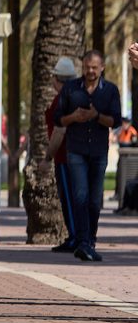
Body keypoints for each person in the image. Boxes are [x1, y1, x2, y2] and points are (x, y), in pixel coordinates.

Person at [55, 50, 121, 262]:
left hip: (99, 151)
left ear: (102, 67)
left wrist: (96, 116)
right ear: (82, 67)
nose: (90, 71)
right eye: (86, 67)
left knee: (94, 200)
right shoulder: (71, 89)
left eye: (94, 67)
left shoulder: (110, 90)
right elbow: (59, 120)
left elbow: (116, 121)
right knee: (80, 196)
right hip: (76, 150)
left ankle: (90, 240)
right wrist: (74, 117)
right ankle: (83, 242)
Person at [40, 56, 78, 253]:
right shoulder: (78, 96)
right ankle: (80, 236)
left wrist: (48, 157)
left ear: (58, 80)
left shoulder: (62, 100)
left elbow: (59, 131)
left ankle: (74, 237)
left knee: (69, 199)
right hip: (78, 156)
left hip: (64, 156)